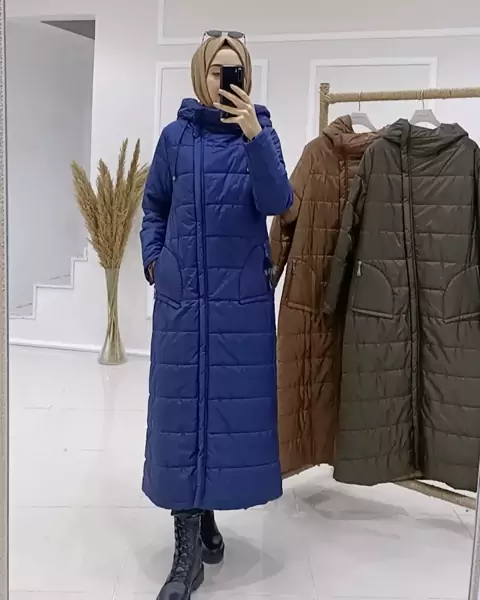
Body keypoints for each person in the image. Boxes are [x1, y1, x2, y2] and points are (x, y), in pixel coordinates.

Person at [140, 31, 293, 600]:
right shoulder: (174, 138)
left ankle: (206, 514)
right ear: (199, 73)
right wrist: (156, 263)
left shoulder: (261, 132)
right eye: (216, 70)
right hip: (182, 300)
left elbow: (279, 203)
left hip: (239, 304)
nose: (225, 79)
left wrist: (254, 135)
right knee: (182, 416)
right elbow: (154, 205)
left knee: (226, 413)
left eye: (235, 70)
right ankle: (187, 551)